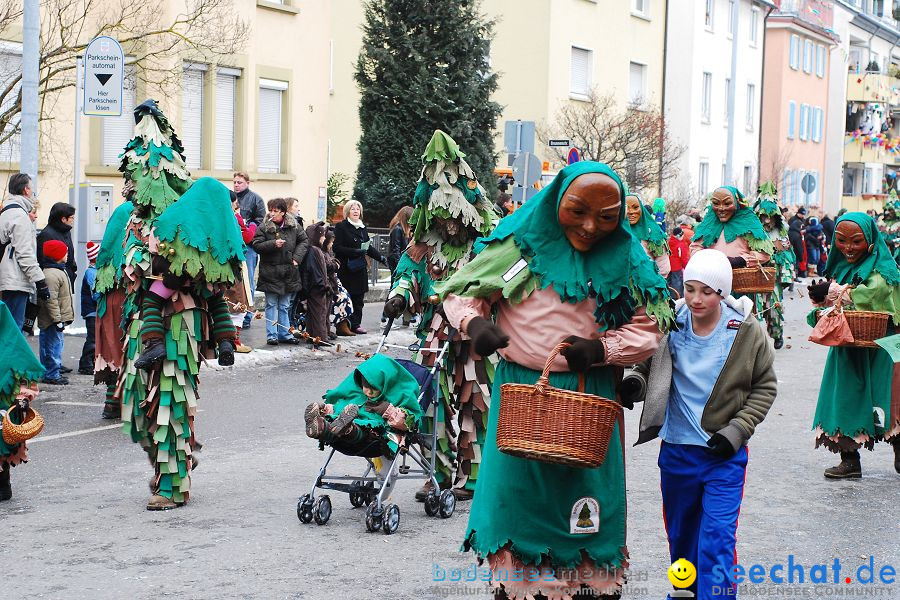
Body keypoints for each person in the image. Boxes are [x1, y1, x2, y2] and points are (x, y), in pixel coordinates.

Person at [437, 161, 673, 600]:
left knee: (582, 493)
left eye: (606, 217)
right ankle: (519, 584)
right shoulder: (518, 242)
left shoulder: (627, 257)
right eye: (578, 211)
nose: (589, 227)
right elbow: (462, 291)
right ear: (556, 201)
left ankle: (586, 581)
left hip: (589, 395)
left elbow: (653, 325)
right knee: (519, 493)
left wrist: (603, 349)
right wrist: (475, 325)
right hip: (523, 391)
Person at [623, 249, 777, 600]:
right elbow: (646, 363)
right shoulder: (670, 320)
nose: (695, 298)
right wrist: (634, 382)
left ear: (722, 292)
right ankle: (686, 594)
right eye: (690, 289)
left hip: (723, 455)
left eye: (706, 291)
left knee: (718, 538)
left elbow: (765, 385)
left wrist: (737, 430)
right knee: (682, 538)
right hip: (677, 451)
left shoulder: (744, 329)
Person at [382, 129, 498, 502]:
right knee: (430, 402)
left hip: (472, 336)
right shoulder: (421, 249)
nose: (449, 224)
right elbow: (405, 277)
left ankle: (473, 476)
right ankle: (438, 474)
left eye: (455, 216)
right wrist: (399, 298)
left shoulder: (483, 247)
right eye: (442, 216)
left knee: (473, 403)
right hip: (433, 334)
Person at [806, 212, 900, 478]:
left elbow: (875, 294)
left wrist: (836, 293)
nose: (848, 248)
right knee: (845, 398)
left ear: (870, 241)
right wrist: (821, 303)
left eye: (856, 241)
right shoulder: (839, 268)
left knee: (891, 397)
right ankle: (849, 459)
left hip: (883, 345)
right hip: (847, 345)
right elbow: (834, 301)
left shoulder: (883, 268)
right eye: (841, 240)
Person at [305, 353, 423, 458]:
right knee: (337, 418)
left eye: (374, 388)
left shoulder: (401, 395)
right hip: (346, 430)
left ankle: (348, 429)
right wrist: (327, 409)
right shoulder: (359, 393)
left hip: (376, 437)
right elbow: (344, 405)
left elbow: (412, 423)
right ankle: (322, 426)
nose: (369, 392)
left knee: (365, 430)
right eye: (365, 387)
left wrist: (389, 410)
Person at [0, 299, 45, 501]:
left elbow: (24, 369)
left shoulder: (11, 345)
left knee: (3, 440)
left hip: (3, 404)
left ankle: (3, 483)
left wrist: (23, 398)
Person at [252, 197, 307, 345]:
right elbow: (256, 244)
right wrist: (273, 244)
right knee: (271, 304)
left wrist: (297, 258)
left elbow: (304, 241)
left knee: (284, 305)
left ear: (283, 212)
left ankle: (285, 333)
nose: (272, 213)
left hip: (289, 270)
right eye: (270, 210)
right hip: (270, 271)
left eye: (275, 211)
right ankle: (272, 334)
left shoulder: (293, 225)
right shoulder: (264, 226)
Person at [0, 173, 49, 328]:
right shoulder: (19, 216)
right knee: (13, 331)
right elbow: (24, 253)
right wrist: (40, 281)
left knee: (8, 329)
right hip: (14, 281)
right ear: (26, 190)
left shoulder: (7, 212)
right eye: (31, 188)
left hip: (8, 279)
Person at [333, 200, 386, 334]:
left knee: (358, 298)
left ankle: (356, 324)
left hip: (359, 268)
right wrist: (354, 251)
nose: (356, 211)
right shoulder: (341, 226)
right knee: (346, 297)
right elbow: (337, 247)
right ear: (347, 212)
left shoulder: (362, 228)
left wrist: (381, 258)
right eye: (353, 209)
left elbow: (368, 247)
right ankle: (344, 325)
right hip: (346, 268)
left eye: (358, 209)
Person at [753, 184, 796, 349]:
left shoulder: (781, 235)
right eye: (764, 216)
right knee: (752, 310)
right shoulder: (751, 232)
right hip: (754, 277)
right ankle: (753, 342)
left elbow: (787, 257)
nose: (767, 220)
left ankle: (777, 334)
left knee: (773, 310)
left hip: (773, 278)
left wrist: (785, 277)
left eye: (770, 217)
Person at [690, 187, 772, 270]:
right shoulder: (709, 222)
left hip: (740, 279)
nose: (721, 209)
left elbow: (764, 254)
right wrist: (706, 260)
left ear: (737, 203)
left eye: (727, 204)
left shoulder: (748, 221)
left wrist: (741, 260)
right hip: (711, 277)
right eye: (716, 203)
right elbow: (695, 248)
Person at [37, 239, 74, 385]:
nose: (67, 254)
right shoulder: (51, 274)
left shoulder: (58, 270)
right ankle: (51, 374)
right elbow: (51, 300)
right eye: (65, 252)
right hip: (51, 321)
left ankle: (52, 371)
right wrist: (57, 320)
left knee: (55, 345)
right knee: (51, 347)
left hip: (55, 319)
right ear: (57, 255)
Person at [233, 172, 266, 329]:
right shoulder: (230, 197)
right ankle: (233, 313)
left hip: (249, 246)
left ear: (247, 183)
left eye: (240, 182)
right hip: (233, 245)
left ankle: (246, 315)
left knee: (248, 280)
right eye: (235, 182)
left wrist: (249, 225)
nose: (236, 185)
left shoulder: (256, 199)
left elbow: (261, 221)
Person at [225, 191, 256, 354]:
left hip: (219, 265)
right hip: (234, 264)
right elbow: (247, 237)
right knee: (238, 301)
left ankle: (223, 341)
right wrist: (252, 226)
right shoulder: (233, 218)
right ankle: (234, 341)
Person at [625, 193, 671, 278]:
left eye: (635, 207)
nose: (630, 212)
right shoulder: (615, 232)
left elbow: (663, 268)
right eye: (626, 207)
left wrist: (653, 284)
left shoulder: (654, 234)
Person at [36, 202, 77, 289]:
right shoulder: (46, 235)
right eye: (71, 218)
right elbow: (42, 262)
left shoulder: (66, 232)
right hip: (54, 282)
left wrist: (72, 271)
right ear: (63, 219)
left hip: (67, 279)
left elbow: (70, 254)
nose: (73, 220)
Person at [302, 222, 330, 344]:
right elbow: (313, 270)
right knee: (319, 313)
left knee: (314, 313)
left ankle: (312, 336)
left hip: (316, 286)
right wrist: (322, 285)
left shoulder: (314, 249)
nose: (324, 238)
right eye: (322, 235)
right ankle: (320, 338)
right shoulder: (314, 251)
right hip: (317, 287)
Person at [324, 228, 355, 337]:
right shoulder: (319, 251)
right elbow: (328, 266)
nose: (332, 244)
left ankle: (343, 325)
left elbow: (333, 262)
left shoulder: (328, 251)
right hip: (325, 282)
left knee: (346, 297)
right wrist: (334, 265)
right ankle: (337, 325)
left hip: (333, 280)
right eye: (331, 242)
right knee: (340, 299)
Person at [78, 241, 100, 375]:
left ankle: (90, 362)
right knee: (92, 338)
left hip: (92, 311)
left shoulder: (95, 271)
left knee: (94, 337)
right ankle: (85, 364)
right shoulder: (91, 273)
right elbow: (95, 293)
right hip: (91, 311)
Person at [667, 226, 689, 296]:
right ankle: (677, 297)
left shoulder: (670, 242)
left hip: (669, 266)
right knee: (677, 283)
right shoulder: (680, 245)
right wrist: (687, 267)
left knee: (669, 282)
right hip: (677, 267)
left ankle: (669, 296)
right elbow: (683, 258)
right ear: (679, 235)